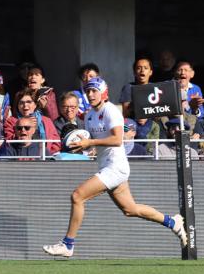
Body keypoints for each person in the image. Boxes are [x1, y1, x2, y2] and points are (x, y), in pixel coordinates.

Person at [42, 77, 187, 257]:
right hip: (107, 166)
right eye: (88, 91)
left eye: (94, 90)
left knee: (77, 196)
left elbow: (118, 139)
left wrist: (91, 142)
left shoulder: (111, 110)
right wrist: (85, 146)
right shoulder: (89, 116)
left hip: (116, 168)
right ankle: (172, 222)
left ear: (104, 92)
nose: (90, 94)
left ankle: (68, 244)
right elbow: (96, 144)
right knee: (130, 209)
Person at [4, 89, 61, 154]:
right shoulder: (11, 121)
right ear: (17, 106)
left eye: (29, 102)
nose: (25, 105)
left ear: (35, 104)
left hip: (46, 158)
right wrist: (26, 126)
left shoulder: (46, 120)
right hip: (21, 157)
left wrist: (46, 154)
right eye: (21, 103)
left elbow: (56, 143)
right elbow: (9, 141)